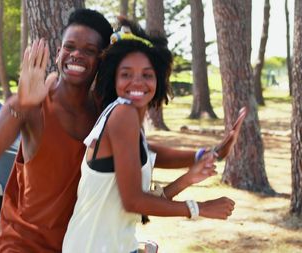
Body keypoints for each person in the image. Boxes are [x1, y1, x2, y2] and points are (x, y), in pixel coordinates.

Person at [61, 18, 240, 253]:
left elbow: (141, 199)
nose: (137, 82)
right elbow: (134, 200)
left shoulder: (130, 121)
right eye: (126, 74)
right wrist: (200, 208)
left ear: (158, 80)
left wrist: (195, 169)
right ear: (114, 80)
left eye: (147, 74)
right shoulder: (122, 114)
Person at [0, 8, 114, 252]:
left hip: (77, 245)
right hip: (23, 244)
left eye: (89, 50)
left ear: (101, 59)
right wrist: (22, 105)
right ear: (58, 54)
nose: (76, 54)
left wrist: (193, 161)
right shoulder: (31, 104)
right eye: (69, 47)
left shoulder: (104, 111)